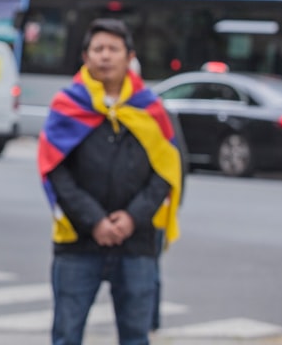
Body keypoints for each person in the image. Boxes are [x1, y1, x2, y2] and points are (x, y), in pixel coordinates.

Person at [38, 18, 182, 345]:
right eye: (98, 49)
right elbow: (55, 170)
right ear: (86, 57)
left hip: (137, 242)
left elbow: (168, 171)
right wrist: (95, 221)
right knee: (66, 334)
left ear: (129, 56)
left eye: (113, 49)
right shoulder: (66, 107)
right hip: (78, 241)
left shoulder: (151, 109)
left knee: (135, 336)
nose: (105, 56)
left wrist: (132, 218)